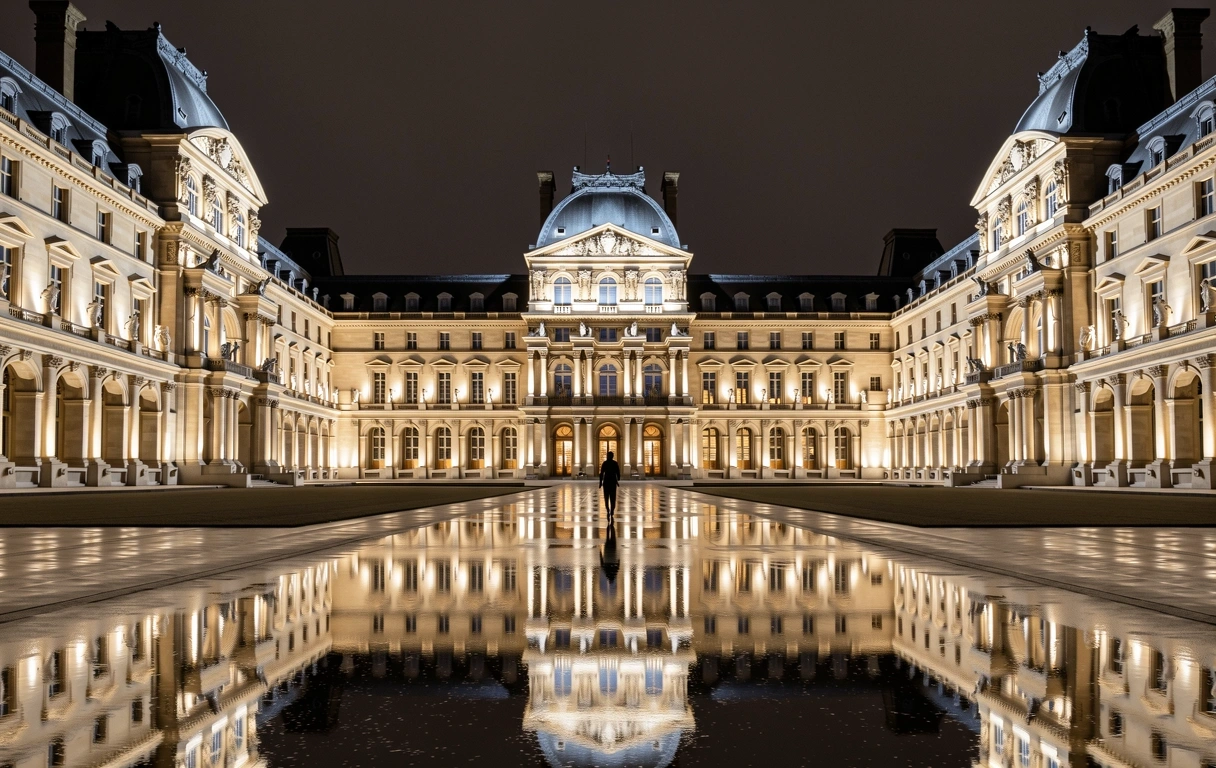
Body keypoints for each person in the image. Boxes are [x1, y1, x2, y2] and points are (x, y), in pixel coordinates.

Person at [599, 450, 621, 518]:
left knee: (606, 497)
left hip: (606, 482)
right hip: (612, 482)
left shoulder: (605, 463)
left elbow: (601, 473)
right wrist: (618, 479)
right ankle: (612, 510)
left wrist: (600, 482)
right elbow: (618, 472)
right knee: (612, 497)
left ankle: (608, 509)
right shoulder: (615, 463)